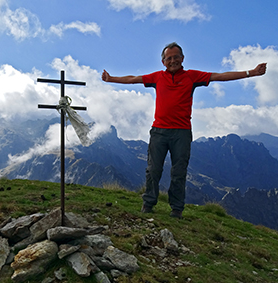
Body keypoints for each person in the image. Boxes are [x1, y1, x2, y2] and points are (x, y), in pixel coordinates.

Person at [101, 42, 267, 218]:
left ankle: (176, 209)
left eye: (176, 57)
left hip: (181, 132)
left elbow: (220, 76)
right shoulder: (157, 77)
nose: (173, 61)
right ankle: (148, 204)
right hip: (159, 131)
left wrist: (251, 73)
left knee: (179, 172)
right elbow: (133, 79)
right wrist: (111, 79)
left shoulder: (192, 76)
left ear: (182, 59)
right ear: (163, 61)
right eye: (169, 58)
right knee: (153, 169)